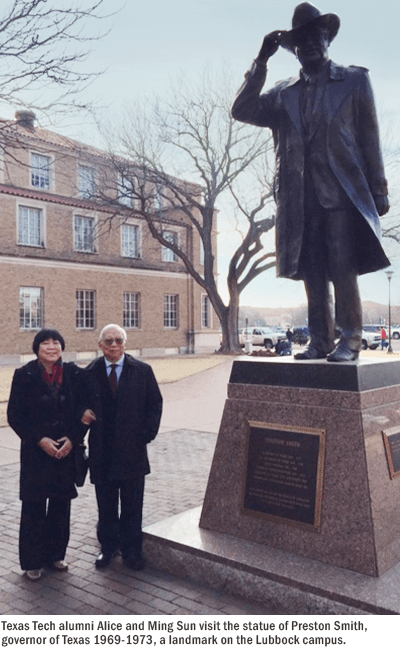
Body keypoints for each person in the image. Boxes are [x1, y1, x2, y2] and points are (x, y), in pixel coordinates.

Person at [231, 3, 390, 362]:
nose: (312, 44)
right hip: (299, 196)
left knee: (343, 266)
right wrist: (260, 61)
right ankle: (320, 340)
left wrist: (379, 188)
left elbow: (370, 136)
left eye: (318, 36)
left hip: (342, 193)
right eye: (303, 40)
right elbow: (241, 109)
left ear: (327, 39)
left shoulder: (354, 80)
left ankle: (350, 340)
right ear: (295, 49)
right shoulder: (282, 93)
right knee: (313, 270)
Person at [81, 324, 163, 570]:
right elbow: (79, 405)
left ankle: (131, 551)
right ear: (100, 346)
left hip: (133, 451)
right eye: (108, 341)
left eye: (118, 340)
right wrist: (81, 413)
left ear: (125, 343)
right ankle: (107, 549)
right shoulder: (89, 373)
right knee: (105, 505)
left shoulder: (142, 371)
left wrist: (146, 435)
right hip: (102, 452)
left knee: (132, 505)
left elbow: (154, 404)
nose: (113, 345)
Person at [7, 329, 85, 581]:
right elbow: (15, 416)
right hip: (36, 452)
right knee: (34, 506)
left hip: (65, 450)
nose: (51, 347)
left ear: (62, 347)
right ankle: (32, 561)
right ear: (37, 347)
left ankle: (55, 555)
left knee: (61, 506)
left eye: (56, 342)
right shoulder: (25, 374)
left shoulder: (73, 373)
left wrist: (73, 439)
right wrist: (40, 440)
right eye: (45, 342)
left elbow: (86, 407)